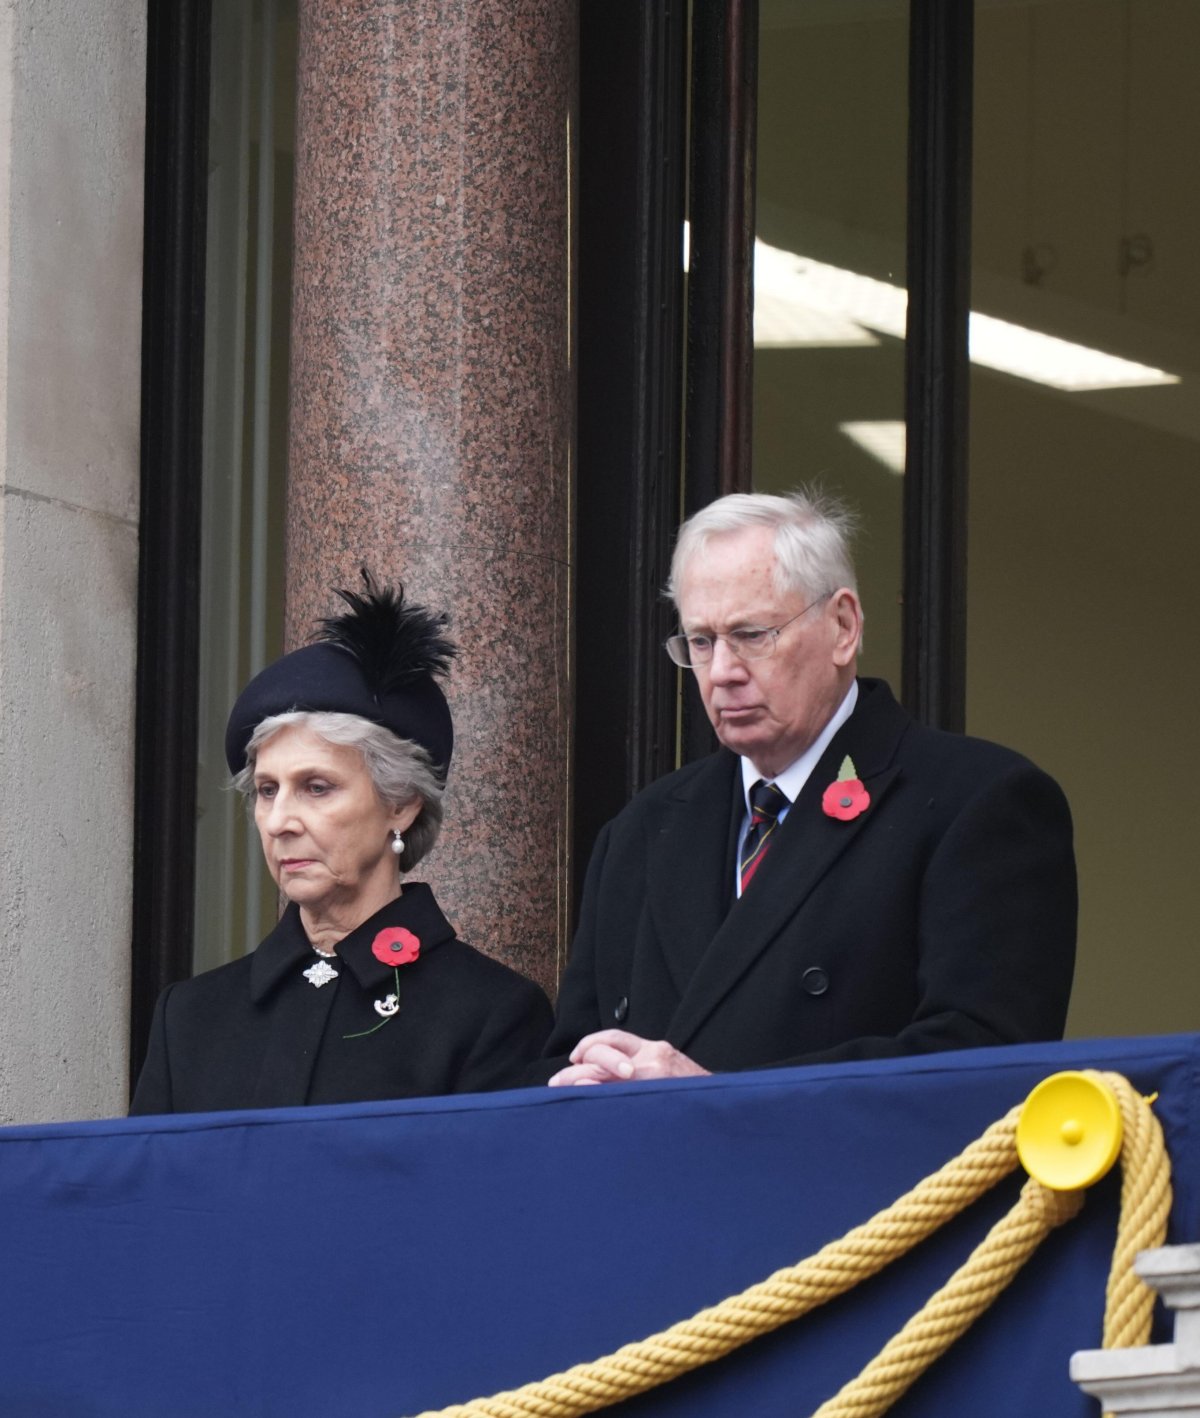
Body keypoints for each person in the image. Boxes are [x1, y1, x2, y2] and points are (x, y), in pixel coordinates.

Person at [545, 491, 1076, 1086]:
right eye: (701, 641)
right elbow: (574, 1048)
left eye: (751, 634)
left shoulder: (979, 802)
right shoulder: (643, 829)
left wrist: (716, 1100)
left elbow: (982, 1063)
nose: (722, 671)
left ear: (843, 627)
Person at [132, 574, 552, 1114]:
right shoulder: (189, 1017)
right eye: (266, 791)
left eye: (317, 787)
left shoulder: (489, 1012)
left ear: (400, 802)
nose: (279, 820)